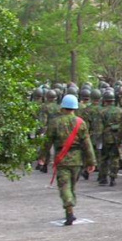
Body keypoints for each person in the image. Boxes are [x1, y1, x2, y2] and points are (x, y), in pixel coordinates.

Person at [38, 94, 96, 225]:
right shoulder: (81, 123)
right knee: (72, 186)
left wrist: (42, 157)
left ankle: (69, 209)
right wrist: (91, 162)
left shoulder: (55, 123)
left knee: (64, 186)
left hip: (62, 159)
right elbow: (87, 144)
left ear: (62, 106)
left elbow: (47, 142)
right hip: (77, 159)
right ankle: (70, 210)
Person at [99, 90, 122, 186]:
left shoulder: (102, 112)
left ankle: (103, 177)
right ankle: (113, 177)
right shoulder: (120, 111)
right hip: (117, 137)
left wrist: (98, 138)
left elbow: (99, 127)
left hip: (106, 137)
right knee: (115, 157)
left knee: (104, 158)